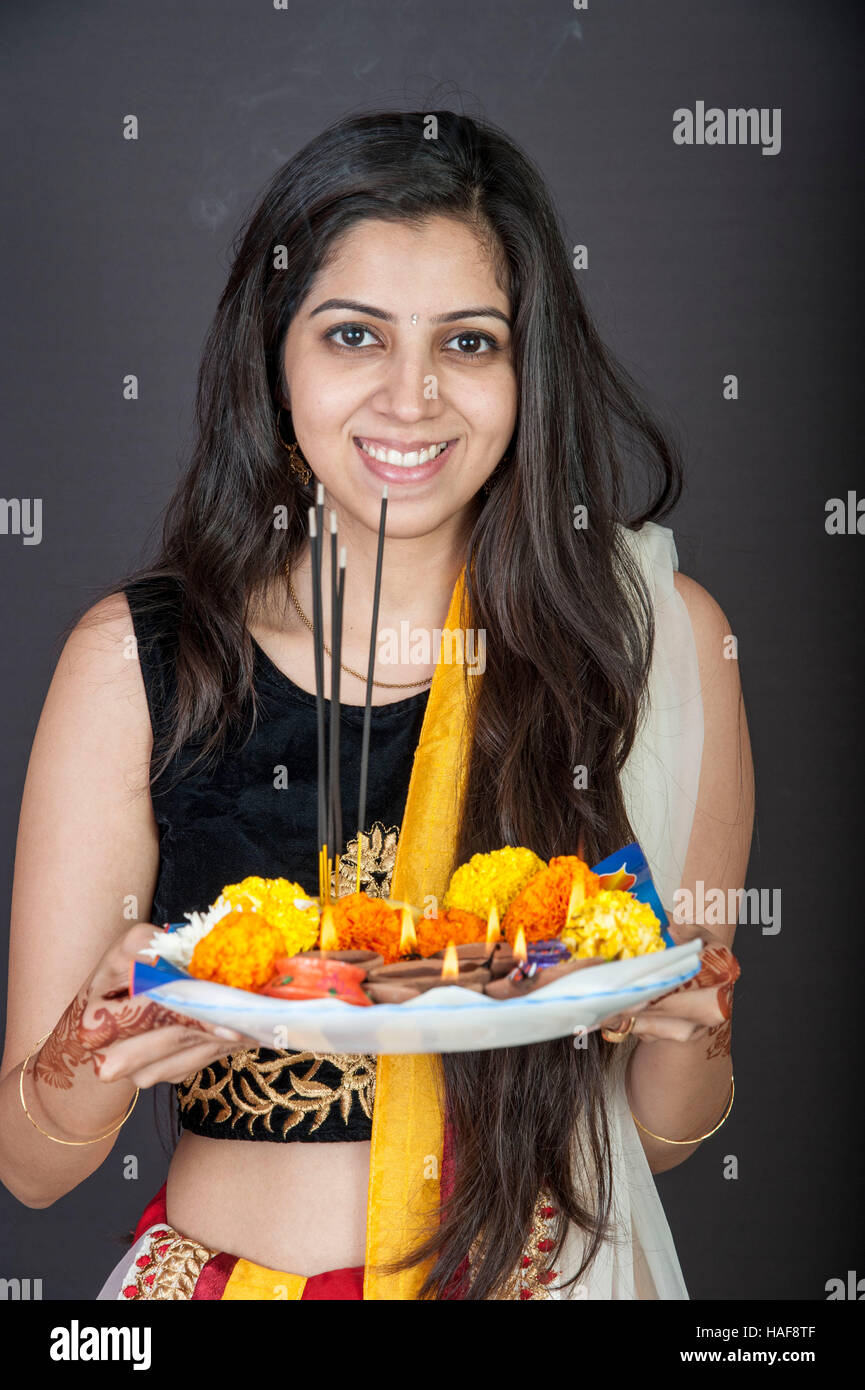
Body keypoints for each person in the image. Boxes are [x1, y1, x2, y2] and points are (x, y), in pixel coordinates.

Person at [0, 109, 752, 1300]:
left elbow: (657, 1136)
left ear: (524, 372)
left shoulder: (648, 643)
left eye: (467, 342)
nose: (411, 397)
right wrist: (82, 1055)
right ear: (275, 357)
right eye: (354, 335)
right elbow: (30, 1167)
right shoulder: (143, 663)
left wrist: (693, 1022)